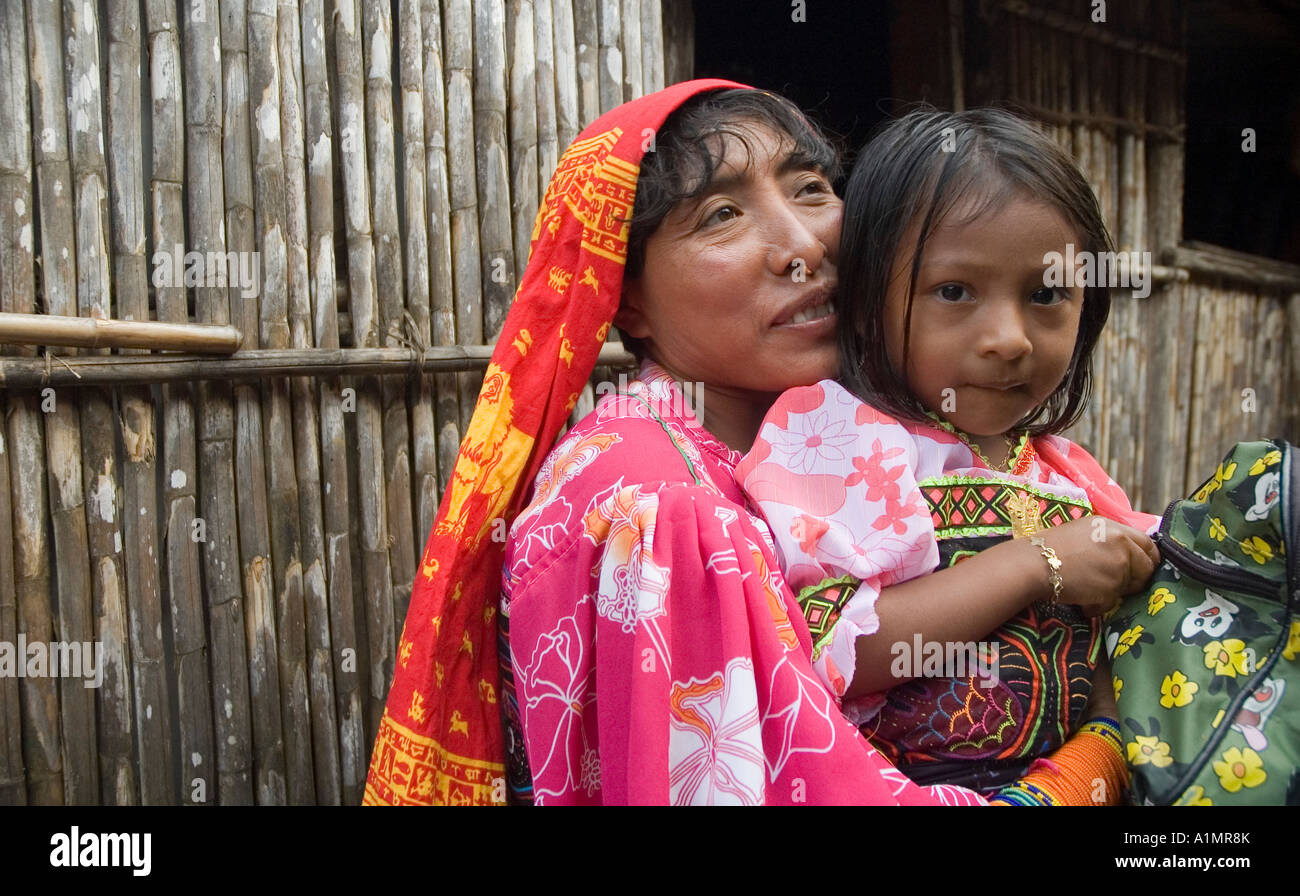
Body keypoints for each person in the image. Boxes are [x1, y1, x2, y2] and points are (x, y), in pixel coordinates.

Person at [364, 80, 984, 805]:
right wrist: (1080, 773)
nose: (801, 245)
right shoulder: (657, 504)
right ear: (623, 297)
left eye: (812, 189)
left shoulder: (858, 433)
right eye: (721, 215)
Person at [737, 108, 1162, 803]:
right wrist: (1036, 564)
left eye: (1046, 293)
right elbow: (833, 648)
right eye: (955, 291)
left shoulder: (1068, 472)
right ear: (871, 298)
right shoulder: (840, 440)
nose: (1008, 338)